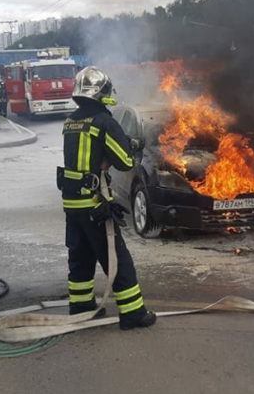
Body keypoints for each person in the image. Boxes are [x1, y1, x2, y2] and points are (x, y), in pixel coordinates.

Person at [59, 66, 156, 330]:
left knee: (81, 257)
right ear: (103, 94)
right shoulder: (104, 122)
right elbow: (124, 162)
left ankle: (81, 308)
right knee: (118, 259)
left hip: (72, 203)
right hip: (94, 203)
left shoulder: (71, 122)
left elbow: (84, 155)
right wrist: (125, 145)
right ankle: (134, 314)